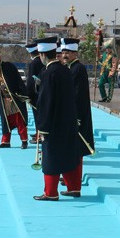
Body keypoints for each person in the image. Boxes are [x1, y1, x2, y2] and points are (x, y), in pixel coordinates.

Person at [33, 37, 82, 201]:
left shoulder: (49, 73)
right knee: (68, 155)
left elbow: (46, 103)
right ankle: (73, 187)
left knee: (51, 157)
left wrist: (42, 126)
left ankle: (50, 192)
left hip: (53, 123)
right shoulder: (65, 70)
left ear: (42, 55)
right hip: (67, 121)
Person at [61, 37, 95, 197]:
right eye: (63, 52)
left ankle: (74, 185)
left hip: (76, 116)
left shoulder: (77, 69)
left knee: (75, 151)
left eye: (67, 52)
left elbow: (74, 95)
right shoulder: (70, 68)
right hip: (72, 115)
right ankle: (69, 180)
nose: (64, 55)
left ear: (75, 53)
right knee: (69, 150)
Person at [0, 46, 30, 148]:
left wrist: (23, 94)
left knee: (19, 121)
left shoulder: (9, 66)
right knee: (5, 122)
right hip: (3, 102)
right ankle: (5, 142)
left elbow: (18, 81)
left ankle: (24, 141)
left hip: (14, 99)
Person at [25, 43, 44, 143]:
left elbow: (30, 81)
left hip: (35, 94)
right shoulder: (42, 61)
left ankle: (39, 134)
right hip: (41, 92)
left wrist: (28, 94)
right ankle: (38, 132)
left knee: (37, 115)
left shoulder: (34, 63)